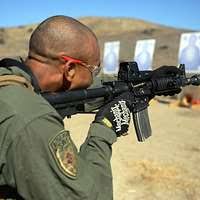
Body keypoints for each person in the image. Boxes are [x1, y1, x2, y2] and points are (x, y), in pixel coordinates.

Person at [0, 15, 181, 200]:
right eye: (94, 70)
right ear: (69, 68)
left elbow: (74, 93)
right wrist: (105, 129)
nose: (94, 76)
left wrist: (143, 84)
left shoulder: (10, 82)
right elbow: (90, 196)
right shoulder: (32, 120)